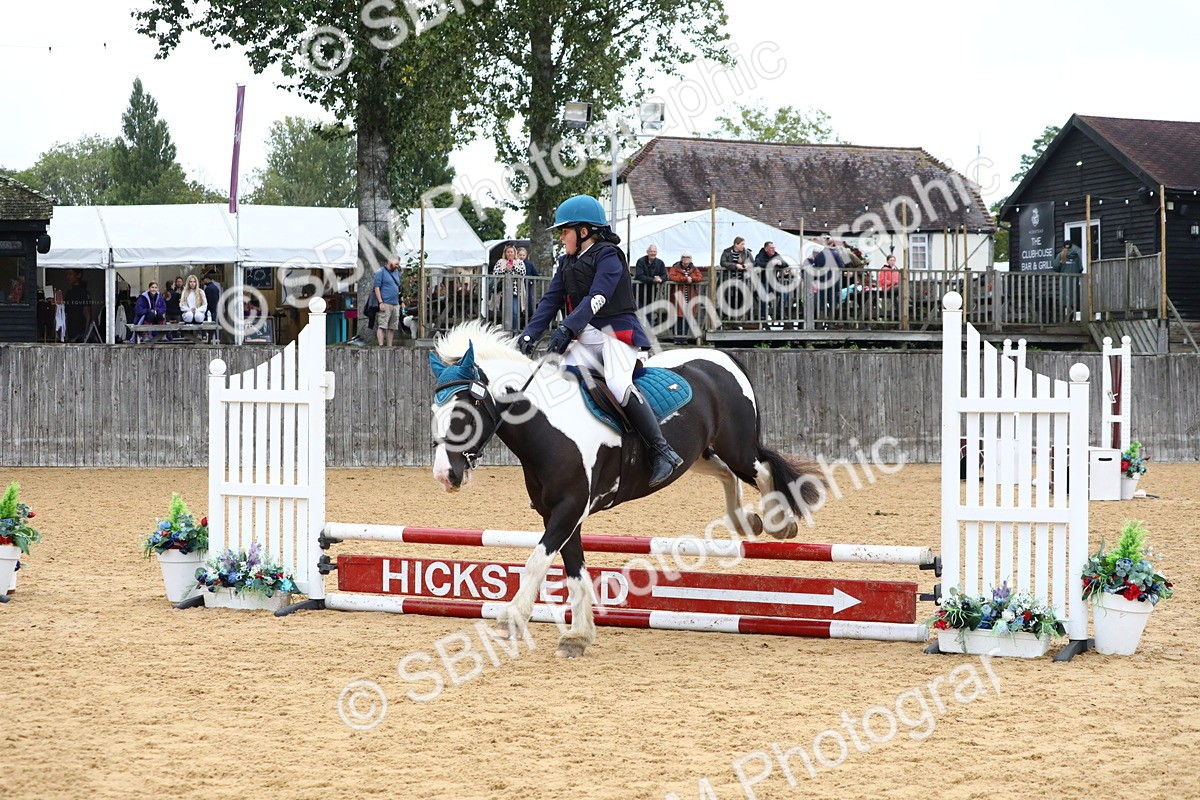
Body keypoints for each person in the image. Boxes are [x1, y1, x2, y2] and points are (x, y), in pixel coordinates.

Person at [517, 194, 683, 487]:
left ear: (584, 232)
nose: (561, 238)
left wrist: (566, 328)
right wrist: (530, 333)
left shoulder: (609, 255)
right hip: (587, 335)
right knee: (558, 378)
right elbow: (551, 300)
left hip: (617, 333)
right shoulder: (566, 262)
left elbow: (598, 296)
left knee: (618, 384)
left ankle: (662, 452)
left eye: (565, 231)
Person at [667, 251, 705, 344]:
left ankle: (684, 338)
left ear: (690, 259)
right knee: (678, 317)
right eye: (684, 257)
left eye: (687, 257)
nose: (685, 259)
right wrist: (684, 279)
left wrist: (692, 279)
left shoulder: (694, 268)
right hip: (678, 297)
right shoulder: (675, 267)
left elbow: (700, 277)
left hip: (690, 297)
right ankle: (677, 338)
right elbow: (671, 277)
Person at [491, 244, 527, 330]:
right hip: (503, 292)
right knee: (505, 313)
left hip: (515, 291)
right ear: (505, 253)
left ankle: (514, 331)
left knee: (515, 313)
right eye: (508, 252)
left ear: (514, 252)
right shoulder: (500, 262)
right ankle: (506, 331)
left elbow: (522, 273)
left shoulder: (519, 262)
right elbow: (495, 273)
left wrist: (513, 266)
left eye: (511, 252)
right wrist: (505, 270)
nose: (510, 253)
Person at [719, 236, 752, 323]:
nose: (743, 246)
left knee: (740, 299)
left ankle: (735, 320)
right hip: (728, 280)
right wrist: (735, 266)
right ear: (736, 244)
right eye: (742, 244)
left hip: (741, 280)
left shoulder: (746, 252)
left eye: (744, 244)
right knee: (729, 299)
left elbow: (753, 262)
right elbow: (723, 262)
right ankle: (728, 319)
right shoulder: (727, 252)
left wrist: (747, 265)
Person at [373, 256, 404, 346]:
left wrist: (401, 301)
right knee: (382, 325)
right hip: (385, 302)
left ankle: (389, 346)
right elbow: (377, 287)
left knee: (392, 327)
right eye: (396, 264)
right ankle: (381, 345)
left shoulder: (397, 273)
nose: (397, 266)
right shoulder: (381, 272)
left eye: (398, 264)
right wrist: (380, 302)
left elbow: (399, 288)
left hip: (395, 303)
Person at [633, 244, 667, 310]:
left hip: (651, 292)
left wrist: (660, 279)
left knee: (649, 312)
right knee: (639, 311)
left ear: (656, 253)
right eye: (651, 251)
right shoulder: (640, 261)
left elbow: (665, 275)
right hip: (638, 291)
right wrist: (653, 280)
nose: (653, 253)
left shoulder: (660, 263)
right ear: (647, 252)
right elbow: (640, 275)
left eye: (654, 251)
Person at [1053, 240, 1083, 315]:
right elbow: (1080, 268)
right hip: (1074, 280)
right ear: (1071, 246)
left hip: (1064, 280)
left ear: (1063, 246)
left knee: (1065, 296)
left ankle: (1068, 314)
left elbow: (1056, 267)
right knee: (1074, 296)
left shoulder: (1061, 255)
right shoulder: (1076, 255)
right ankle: (1073, 313)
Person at [63, 268, 91, 343]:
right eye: (67, 274)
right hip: (69, 330)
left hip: (80, 332)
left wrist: (85, 334)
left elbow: (87, 315)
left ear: (78, 275)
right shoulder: (68, 293)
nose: (68, 277)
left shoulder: (84, 293)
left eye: (70, 274)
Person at [516, 246, 539, 327]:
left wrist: (531, 282)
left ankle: (527, 323)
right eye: (520, 255)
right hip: (516, 287)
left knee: (528, 305)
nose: (521, 257)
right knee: (518, 305)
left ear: (526, 256)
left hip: (527, 287)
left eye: (523, 255)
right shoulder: (515, 263)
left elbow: (536, 276)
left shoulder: (529, 264)